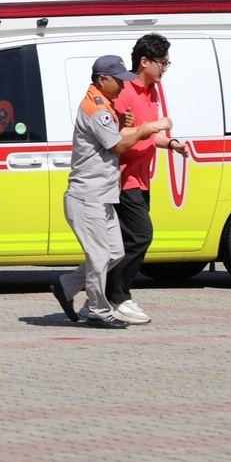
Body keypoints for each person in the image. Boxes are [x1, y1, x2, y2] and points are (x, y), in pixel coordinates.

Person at [51, 55, 173, 329]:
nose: (122, 86)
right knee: (98, 256)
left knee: (115, 252)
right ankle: (97, 310)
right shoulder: (97, 109)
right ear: (102, 79)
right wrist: (146, 129)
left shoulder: (105, 105)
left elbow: (113, 133)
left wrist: (123, 122)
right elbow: (117, 146)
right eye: (118, 81)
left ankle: (66, 285)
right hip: (87, 195)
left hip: (103, 195)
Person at [104, 34, 191, 325]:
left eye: (167, 62)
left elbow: (150, 134)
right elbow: (116, 138)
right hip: (122, 178)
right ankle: (116, 297)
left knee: (129, 240)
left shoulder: (152, 90)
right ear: (145, 61)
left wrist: (171, 143)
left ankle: (110, 295)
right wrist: (150, 127)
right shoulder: (125, 90)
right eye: (162, 62)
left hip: (142, 180)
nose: (166, 68)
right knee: (140, 236)